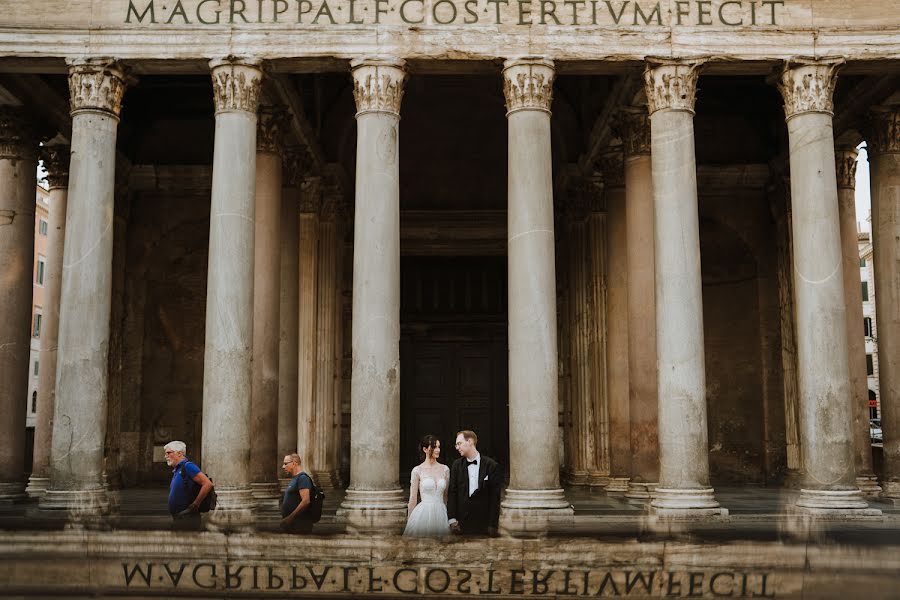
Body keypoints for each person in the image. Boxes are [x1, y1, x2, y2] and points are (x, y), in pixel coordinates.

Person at [448, 430, 501, 536]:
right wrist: (452, 519)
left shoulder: (491, 465)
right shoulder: (456, 465)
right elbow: (452, 493)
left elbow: (495, 497)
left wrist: (493, 525)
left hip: (484, 526)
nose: (457, 447)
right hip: (461, 526)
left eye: (459, 443)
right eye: (456, 445)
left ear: (470, 441)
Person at [403, 434, 451, 537]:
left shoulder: (445, 469)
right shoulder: (417, 470)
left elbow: (445, 497)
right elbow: (413, 498)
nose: (437, 450)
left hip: (441, 513)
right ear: (425, 449)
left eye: (438, 447)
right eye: (434, 447)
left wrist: (447, 516)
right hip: (423, 513)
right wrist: (410, 522)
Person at [165, 440, 213, 530]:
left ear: (179, 453)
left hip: (187, 517)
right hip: (180, 518)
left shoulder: (188, 466)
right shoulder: (178, 469)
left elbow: (207, 484)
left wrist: (195, 505)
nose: (166, 456)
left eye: (168, 453)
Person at [280, 453, 315, 533]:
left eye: (285, 464)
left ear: (294, 463)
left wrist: (290, 518)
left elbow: (306, 501)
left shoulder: (303, 478)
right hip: (293, 524)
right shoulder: (295, 478)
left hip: (299, 524)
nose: (283, 467)